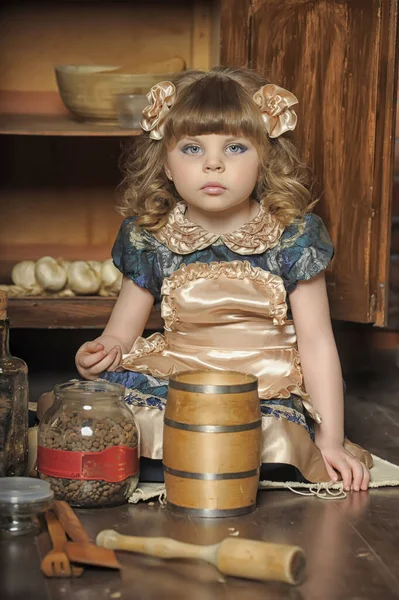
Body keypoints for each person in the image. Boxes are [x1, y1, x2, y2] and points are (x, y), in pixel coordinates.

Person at [74, 66, 372, 490]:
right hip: (179, 375)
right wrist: (104, 350)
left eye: (234, 148)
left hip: (263, 385)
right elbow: (122, 333)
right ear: (166, 165)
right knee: (104, 419)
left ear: (265, 158)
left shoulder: (291, 236)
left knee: (271, 447)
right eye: (192, 149)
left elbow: (317, 341)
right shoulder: (151, 236)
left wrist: (332, 440)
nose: (213, 164)